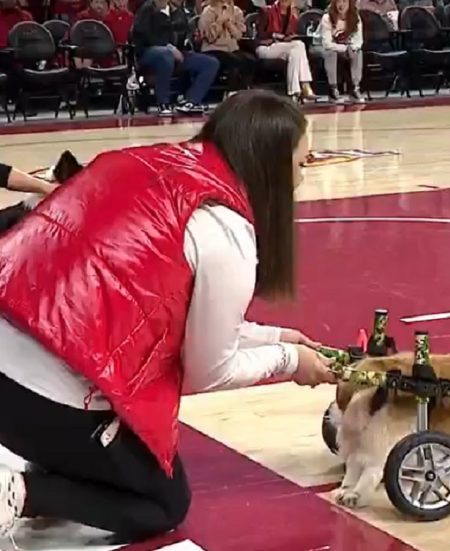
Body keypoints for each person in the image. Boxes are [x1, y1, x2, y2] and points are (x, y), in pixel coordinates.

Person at [0, 90, 336, 544]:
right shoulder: (226, 232)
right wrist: (290, 362)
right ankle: (19, 492)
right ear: (271, 166)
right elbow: (207, 369)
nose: (300, 178)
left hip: (13, 332)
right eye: (300, 164)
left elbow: (164, 318)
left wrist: (277, 337)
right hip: (34, 394)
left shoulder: (148, 161)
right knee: (164, 502)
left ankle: (49, 462)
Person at [130, 0, 221, 116]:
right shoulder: (147, 8)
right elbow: (142, 35)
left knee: (210, 63)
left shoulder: (177, 11)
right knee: (165, 55)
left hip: (177, 53)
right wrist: (168, 47)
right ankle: (163, 103)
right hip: (149, 53)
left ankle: (191, 101)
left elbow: (182, 34)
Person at [255, 0, 316, 102]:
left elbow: (291, 34)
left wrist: (290, 37)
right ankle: (305, 85)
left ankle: (295, 92)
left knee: (295, 52)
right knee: (298, 46)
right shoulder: (266, 11)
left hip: (285, 47)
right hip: (265, 47)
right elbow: (259, 35)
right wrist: (275, 35)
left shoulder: (293, 14)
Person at [199, 0, 256, 91]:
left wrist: (229, 24)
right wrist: (220, 21)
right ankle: (231, 92)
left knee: (250, 60)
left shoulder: (236, 11)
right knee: (234, 61)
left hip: (231, 49)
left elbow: (238, 36)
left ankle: (245, 90)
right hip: (213, 49)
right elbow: (210, 38)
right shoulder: (208, 11)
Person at [320, 0, 365, 103]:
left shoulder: (356, 18)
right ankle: (333, 89)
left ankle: (354, 88)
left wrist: (352, 48)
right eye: (339, 1)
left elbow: (359, 40)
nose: (341, 5)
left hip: (345, 48)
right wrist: (345, 48)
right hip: (322, 48)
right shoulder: (327, 18)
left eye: (345, 1)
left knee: (358, 52)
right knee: (331, 52)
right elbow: (327, 43)